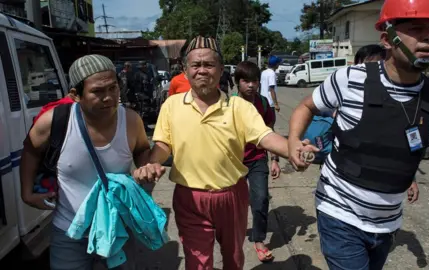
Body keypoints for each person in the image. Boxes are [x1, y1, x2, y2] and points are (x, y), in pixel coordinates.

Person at [288, 1, 429, 269]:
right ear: (387, 39)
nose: (428, 36)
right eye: (416, 28)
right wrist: (294, 139)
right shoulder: (349, 79)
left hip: (387, 223)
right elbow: (307, 106)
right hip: (339, 212)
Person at [132, 36, 318, 270]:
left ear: (221, 70)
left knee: (233, 257)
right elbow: (162, 145)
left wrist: (293, 149)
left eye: (208, 65)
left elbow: (265, 137)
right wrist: (151, 163)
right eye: (195, 65)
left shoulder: (239, 107)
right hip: (189, 199)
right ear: (185, 69)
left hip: (232, 196)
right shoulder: (172, 105)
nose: (202, 71)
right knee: (197, 262)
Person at [20, 54, 152, 270]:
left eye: (113, 88)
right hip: (69, 231)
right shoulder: (54, 122)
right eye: (97, 92)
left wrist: (146, 166)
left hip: (117, 229)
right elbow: (30, 151)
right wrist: (26, 192)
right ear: (75, 95)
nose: (109, 97)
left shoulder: (130, 120)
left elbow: (142, 149)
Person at [355, 44, 420, 203]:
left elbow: (406, 148)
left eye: (374, 65)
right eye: (362, 65)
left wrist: (411, 178)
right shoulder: (346, 90)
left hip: (383, 195)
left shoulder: (400, 102)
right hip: (344, 185)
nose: (368, 71)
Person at [233, 61, 280, 262]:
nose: (250, 85)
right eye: (245, 81)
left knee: (260, 199)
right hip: (233, 162)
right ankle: (232, 235)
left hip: (258, 159)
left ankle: (259, 240)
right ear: (237, 83)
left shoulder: (262, 103)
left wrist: (275, 159)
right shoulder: (228, 104)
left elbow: (270, 129)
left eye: (254, 81)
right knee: (235, 204)